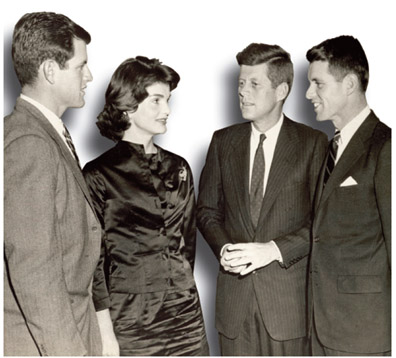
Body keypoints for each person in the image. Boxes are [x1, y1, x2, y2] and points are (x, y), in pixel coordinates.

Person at [197, 43, 328, 356]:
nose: (243, 92)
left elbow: (324, 224)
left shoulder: (313, 144)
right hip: (234, 309)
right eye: (240, 84)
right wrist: (224, 247)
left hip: (288, 310)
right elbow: (206, 211)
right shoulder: (222, 141)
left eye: (254, 84)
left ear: (281, 90)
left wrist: (274, 250)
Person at [83, 56, 209, 356]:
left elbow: (187, 243)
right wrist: (105, 333)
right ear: (128, 104)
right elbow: (94, 263)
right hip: (130, 322)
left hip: (186, 318)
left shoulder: (179, 167)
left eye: (168, 100)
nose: (167, 110)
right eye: (157, 101)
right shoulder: (98, 174)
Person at [4, 12, 102, 356]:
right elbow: (35, 272)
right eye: (80, 66)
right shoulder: (28, 144)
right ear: (49, 70)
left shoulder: (42, 133)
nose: (89, 76)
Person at [305, 35, 391, 356]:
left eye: (318, 84)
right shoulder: (332, 149)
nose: (308, 93)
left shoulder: (385, 147)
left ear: (350, 84)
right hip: (322, 329)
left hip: (363, 334)